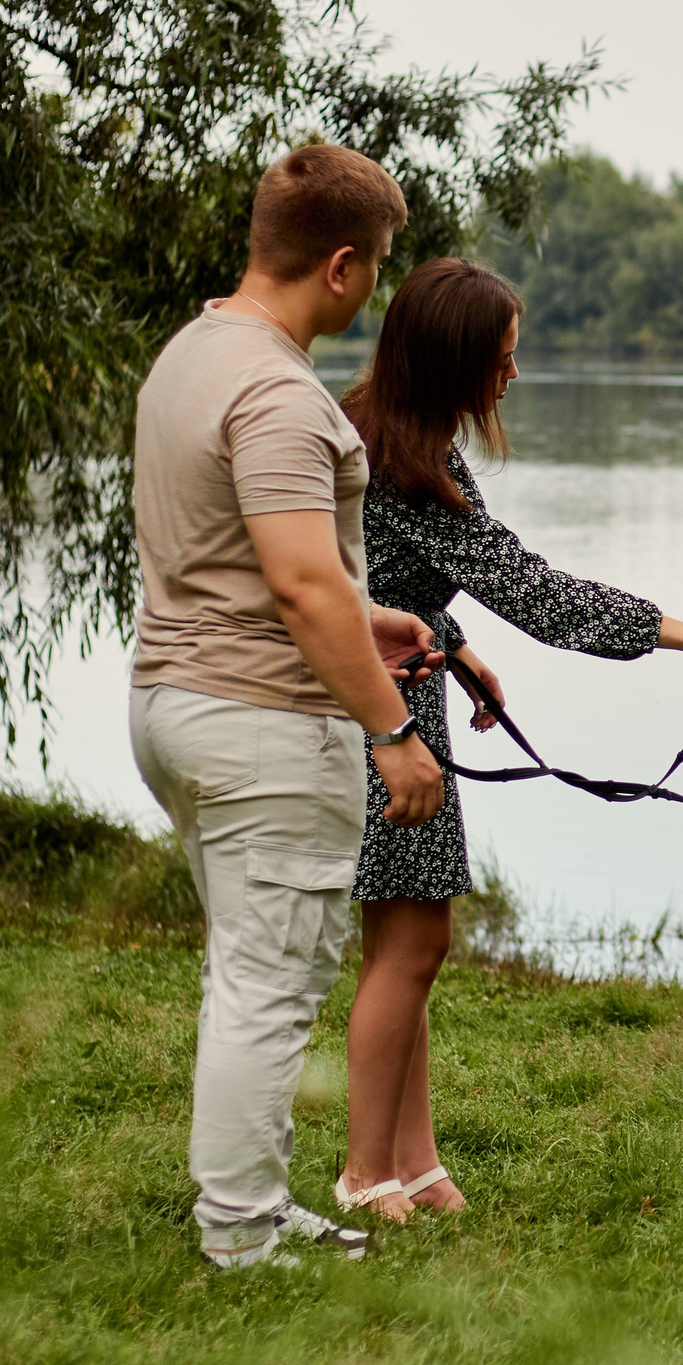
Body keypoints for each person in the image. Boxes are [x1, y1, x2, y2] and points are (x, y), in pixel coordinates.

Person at [332, 257, 683, 1222]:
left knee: (411, 938)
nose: (514, 375)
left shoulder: (386, 435)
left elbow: (385, 585)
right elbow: (543, 597)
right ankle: (368, 1174)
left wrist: (453, 646)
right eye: (502, 357)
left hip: (400, 695)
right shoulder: (413, 466)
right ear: (456, 362)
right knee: (408, 944)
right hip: (378, 719)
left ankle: (414, 1163)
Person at [129, 143, 448, 1270]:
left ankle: (252, 1208)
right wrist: (393, 735)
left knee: (246, 972)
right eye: (385, 264)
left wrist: (372, 621)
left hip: (176, 701)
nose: (380, 287)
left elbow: (246, 559)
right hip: (260, 724)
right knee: (270, 987)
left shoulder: (192, 355)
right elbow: (300, 583)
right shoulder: (274, 391)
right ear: (346, 265)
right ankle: (241, 1239)